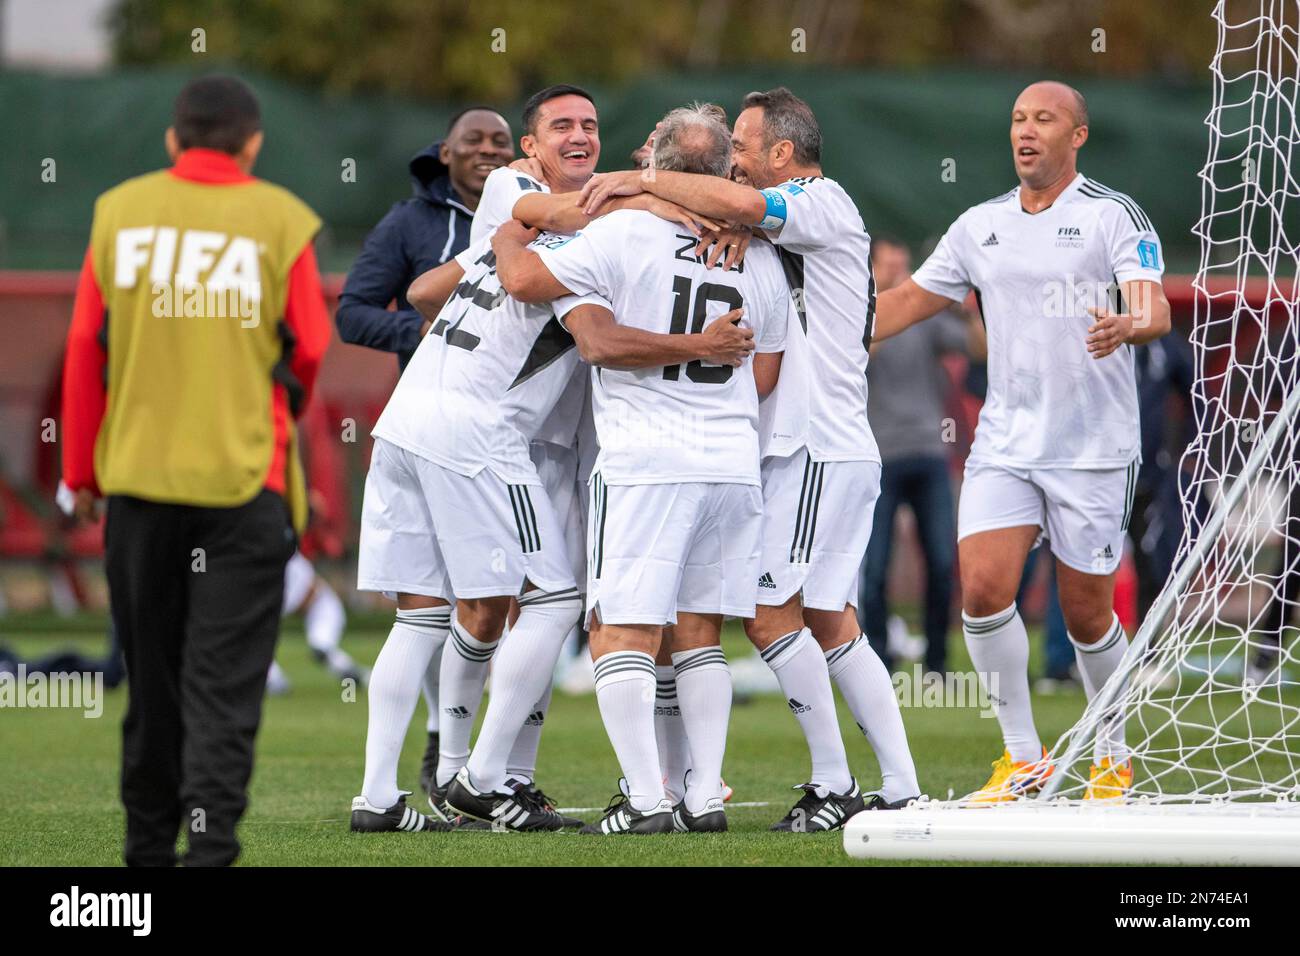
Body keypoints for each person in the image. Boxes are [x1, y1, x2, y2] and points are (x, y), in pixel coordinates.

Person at [580, 86, 921, 828]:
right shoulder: (769, 231)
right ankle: (898, 784)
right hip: (811, 446)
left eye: (742, 145)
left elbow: (747, 214)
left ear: (782, 155)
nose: (732, 159)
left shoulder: (821, 204)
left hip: (815, 443)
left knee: (770, 617)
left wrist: (641, 180)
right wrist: (731, 222)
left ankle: (834, 782)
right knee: (830, 617)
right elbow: (744, 222)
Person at [874, 80, 1172, 803]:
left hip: (1092, 449)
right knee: (980, 590)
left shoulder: (1110, 215)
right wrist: (828, 328)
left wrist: (1131, 324)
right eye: (1017, 119)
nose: (1026, 130)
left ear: (1078, 135)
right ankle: (1024, 758)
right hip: (1005, 443)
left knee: (1086, 613)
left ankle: (1113, 750)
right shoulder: (979, 224)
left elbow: (1152, 305)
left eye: (1044, 118)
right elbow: (913, 300)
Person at [494, 103, 788, 834]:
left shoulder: (620, 230)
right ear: (724, 171)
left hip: (648, 457)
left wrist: (505, 229)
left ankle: (647, 801)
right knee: (699, 631)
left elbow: (526, 281)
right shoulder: (759, 251)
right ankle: (700, 798)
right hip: (730, 458)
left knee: (618, 630)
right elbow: (766, 368)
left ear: (654, 163)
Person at [61, 74, 330, 865]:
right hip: (245, 487)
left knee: (152, 685)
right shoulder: (281, 218)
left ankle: (144, 859)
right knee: (223, 689)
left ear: (173, 140)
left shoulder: (119, 211)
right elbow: (309, 348)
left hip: (139, 488)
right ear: (252, 143)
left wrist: (82, 472)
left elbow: (84, 350)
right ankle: (209, 855)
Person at [335, 106, 513, 796]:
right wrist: (428, 332)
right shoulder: (411, 224)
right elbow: (352, 312)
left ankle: (451, 765)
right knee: (433, 608)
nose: (488, 151)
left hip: (512, 426)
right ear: (446, 153)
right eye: (474, 141)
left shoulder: (539, 215)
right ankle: (448, 751)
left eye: (501, 141)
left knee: (492, 606)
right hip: (435, 427)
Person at [858, 236, 984, 677]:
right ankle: (877, 663)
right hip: (879, 457)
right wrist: (883, 297)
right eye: (889, 264)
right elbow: (857, 357)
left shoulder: (924, 318)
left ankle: (937, 663)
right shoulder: (858, 310)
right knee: (873, 568)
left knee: (943, 562)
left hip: (929, 453)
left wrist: (967, 307)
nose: (899, 271)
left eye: (903, 263)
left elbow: (979, 350)